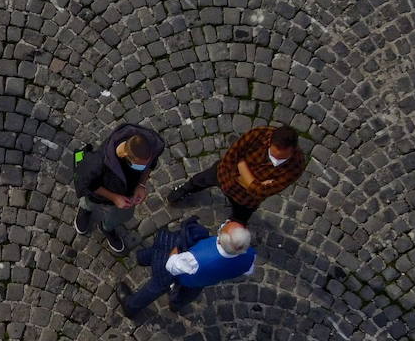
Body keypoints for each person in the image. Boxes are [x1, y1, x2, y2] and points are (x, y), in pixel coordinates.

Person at [117, 216, 256, 318]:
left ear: (220, 240)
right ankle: (175, 305)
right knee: (187, 295)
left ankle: (131, 306)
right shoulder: (249, 255)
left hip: (184, 273)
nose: (226, 222)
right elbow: (247, 270)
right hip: (201, 281)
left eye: (225, 225)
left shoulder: (197, 259)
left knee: (158, 284)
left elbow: (171, 265)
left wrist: (175, 251)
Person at [167, 124, 306, 224]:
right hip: (224, 176)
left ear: (293, 150)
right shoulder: (258, 134)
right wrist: (253, 183)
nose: (275, 161)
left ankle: (231, 227)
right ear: (270, 142)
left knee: (240, 218)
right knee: (199, 180)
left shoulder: (297, 165)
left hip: (246, 199)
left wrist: (242, 166)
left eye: (282, 158)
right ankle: (185, 189)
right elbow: (230, 159)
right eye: (273, 155)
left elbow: (262, 192)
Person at [72, 124, 165, 254]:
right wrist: (114, 197)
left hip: (127, 192)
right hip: (98, 192)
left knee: (116, 216)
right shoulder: (97, 163)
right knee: (89, 202)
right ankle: (85, 211)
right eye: (140, 166)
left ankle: (107, 228)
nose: (144, 168)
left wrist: (141, 184)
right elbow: (89, 184)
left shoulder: (152, 146)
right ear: (125, 154)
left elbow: (150, 165)